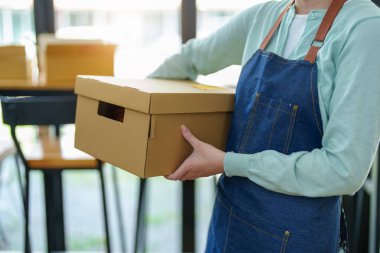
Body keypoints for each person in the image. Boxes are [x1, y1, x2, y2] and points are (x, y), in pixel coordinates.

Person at [149, 0, 380, 252]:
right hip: (230, 225)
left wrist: (228, 162)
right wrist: (131, 105)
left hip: (297, 238)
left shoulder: (365, 28)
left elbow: (343, 169)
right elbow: (192, 58)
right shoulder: (265, 15)